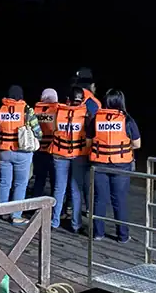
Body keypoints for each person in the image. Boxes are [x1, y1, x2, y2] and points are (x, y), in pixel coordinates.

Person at [87, 89, 141, 243]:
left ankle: (98, 234)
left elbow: (88, 142)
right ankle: (123, 236)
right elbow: (137, 144)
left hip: (99, 165)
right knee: (119, 200)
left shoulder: (96, 119)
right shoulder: (127, 120)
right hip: (121, 165)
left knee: (99, 199)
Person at [0, 85, 42, 225]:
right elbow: (37, 131)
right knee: (20, 184)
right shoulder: (27, 110)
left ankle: (2, 212)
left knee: (4, 182)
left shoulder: (1, 109)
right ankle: (16, 215)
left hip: (4, 151)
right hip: (22, 152)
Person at [49, 87, 90, 232]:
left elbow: (52, 130)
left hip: (59, 154)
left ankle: (54, 222)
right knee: (76, 191)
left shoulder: (57, 112)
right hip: (78, 156)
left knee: (59, 189)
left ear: (68, 99)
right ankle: (76, 224)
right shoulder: (86, 113)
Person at [31, 88, 58, 197]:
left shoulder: (35, 111)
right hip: (53, 151)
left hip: (39, 150)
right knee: (55, 181)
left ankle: (34, 206)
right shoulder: (58, 111)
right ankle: (55, 207)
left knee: (39, 180)